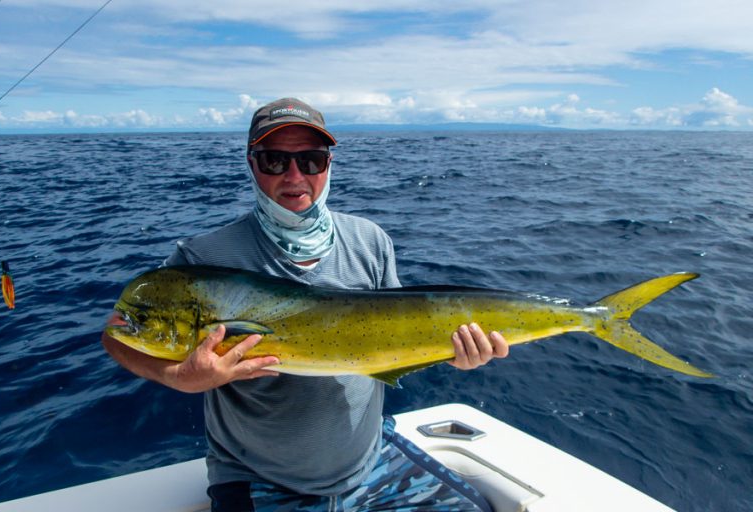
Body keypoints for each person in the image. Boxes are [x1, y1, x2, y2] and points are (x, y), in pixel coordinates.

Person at [102, 98, 509, 511]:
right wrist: (179, 377)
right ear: (251, 163)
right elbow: (117, 334)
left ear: (329, 164)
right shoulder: (200, 258)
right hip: (261, 481)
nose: (295, 176)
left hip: (371, 465)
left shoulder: (370, 241)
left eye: (311, 160)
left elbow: (400, 334)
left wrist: (451, 351)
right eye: (275, 160)